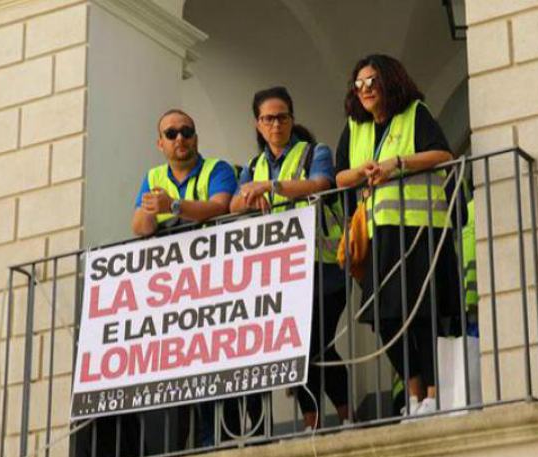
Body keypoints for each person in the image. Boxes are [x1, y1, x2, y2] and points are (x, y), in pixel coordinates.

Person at [335, 54, 460, 417]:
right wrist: (363, 171)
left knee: (424, 312)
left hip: (420, 229)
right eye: (358, 84)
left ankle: (433, 396)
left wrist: (397, 164)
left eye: (372, 82)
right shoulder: (355, 126)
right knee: (384, 316)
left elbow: (442, 153)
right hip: (379, 235)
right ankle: (414, 394)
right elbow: (340, 177)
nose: (365, 90)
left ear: (389, 81)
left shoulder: (414, 114)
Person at [231, 86, 351, 429]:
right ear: (258, 124)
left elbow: (320, 184)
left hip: (323, 266)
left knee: (316, 343)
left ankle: (345, 418)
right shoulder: (254, 165)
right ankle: (312, 423)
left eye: (282, 117)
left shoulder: (315, 151)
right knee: (296, 348)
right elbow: (234, 205)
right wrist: (250, 194)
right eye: (268, 118)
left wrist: (270, 187)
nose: (276, 124)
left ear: (292, 119)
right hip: (281, 273)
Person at [132, 109, 238, 236]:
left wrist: (172, 206)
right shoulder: (153, 176)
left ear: (196, 139)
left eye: (186, 132)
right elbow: (140, 229)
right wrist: (149, 210)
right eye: (171, 134)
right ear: (160, 144)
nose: (180, 138)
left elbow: (221, 208)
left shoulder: (218, 168)